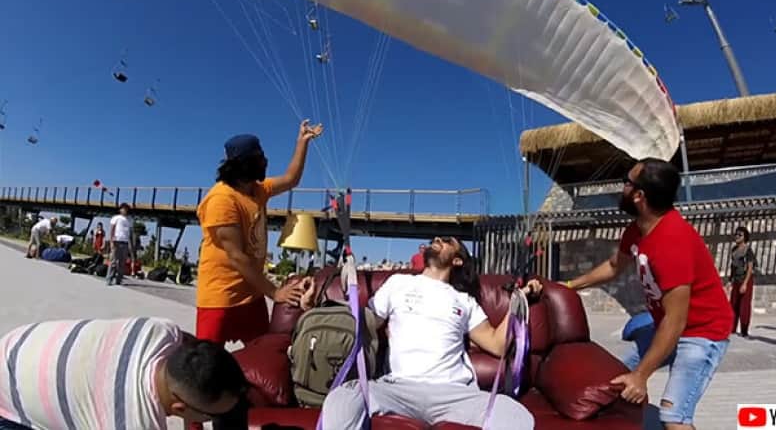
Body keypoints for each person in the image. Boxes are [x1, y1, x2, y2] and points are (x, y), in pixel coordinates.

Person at [564, 158, 732, 430]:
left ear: (639, 196)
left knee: (674, 417)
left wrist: (641, 376)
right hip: (669, 326)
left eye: (626, 182)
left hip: (702, 332)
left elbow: (675, 321)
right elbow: (614, 266)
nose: (621, 187)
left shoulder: (672, 243)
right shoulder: (638, 229)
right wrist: (570, 286)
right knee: (612, 376)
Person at [320, 236, 540, 430]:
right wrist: (319, 305)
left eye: (447, 241)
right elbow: (365, 323)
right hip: (397, 389)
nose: (438, 238)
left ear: (457, 260)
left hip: (453, 393)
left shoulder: (464, 301)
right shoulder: (398, 283)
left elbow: (496, 344)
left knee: (512, 414)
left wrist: (519, 299)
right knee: (344, 397)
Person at [195, 120, 322, 346]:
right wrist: (273, 292)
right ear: (244, 164)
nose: (266, 161)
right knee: (207, 364)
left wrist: (302, 142)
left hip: (251, 296)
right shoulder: (222, 200)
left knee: (263, 354)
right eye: (260, 157)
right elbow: (236, 256)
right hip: (220, 298)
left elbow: (291, 179)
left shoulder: (258, 190)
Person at [0, 317, 249, 430]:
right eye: (215, 418)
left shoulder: (162, 331)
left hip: (20, 341)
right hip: (8, 395)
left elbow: (198, 347)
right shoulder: (128, 422)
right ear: (180, 409)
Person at [728, 226, 755, 337]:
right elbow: (733, 266)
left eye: (740, 235)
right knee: (734, 303)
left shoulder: (747, 250)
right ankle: (732, 328)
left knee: (744, 305)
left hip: (745, 279)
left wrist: (745, 283)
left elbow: (750, 267)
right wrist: (730, 280)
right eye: (736, 234)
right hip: (737, 279)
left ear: (744, 237)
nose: (737, 237)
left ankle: (744, 329)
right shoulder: (734, 250)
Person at [107, 204, 134, 286]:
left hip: (125, 242)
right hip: (116, 241)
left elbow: (130, 233)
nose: (124, 210)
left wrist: (131, 244)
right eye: (123, 209)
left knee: (122, 262)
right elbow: (112, 229)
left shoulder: (130, 220)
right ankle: (109, 279)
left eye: (126, 209)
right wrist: (111, 241)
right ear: (120, 210)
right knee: (113, 261)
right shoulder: (116, 218)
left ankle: (119, 279)